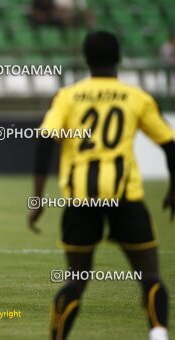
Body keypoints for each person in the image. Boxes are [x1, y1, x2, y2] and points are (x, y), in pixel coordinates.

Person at [28, 31, 175, 340]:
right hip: (126, 198)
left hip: (81, 202)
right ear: (119, 59)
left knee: (76, 280)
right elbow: (170, 144)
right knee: (149, 275)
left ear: (86, 59)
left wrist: (38, 198)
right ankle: (159, 333)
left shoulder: (68, 96)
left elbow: (44, 142)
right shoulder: (137, 97)